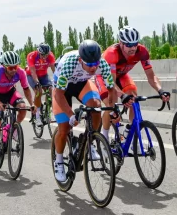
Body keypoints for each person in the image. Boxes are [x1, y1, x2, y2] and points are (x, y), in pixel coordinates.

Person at [52, 40, 117, 182]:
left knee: (96, 106)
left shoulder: (102, 64)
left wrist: (112, 108)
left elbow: (111, 89)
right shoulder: (70, 64)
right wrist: (70, 115)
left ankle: (91, 140)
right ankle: (58, 161)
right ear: (81, 60)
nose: (94, 68)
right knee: (64, 128)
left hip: (82, 84)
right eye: (90, 64)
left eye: (96, 64)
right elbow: (59, 94)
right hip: (62, 90)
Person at [96, 26, 170, 142]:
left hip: (122, 75)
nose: (133, 48)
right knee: (111, 103)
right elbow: (110, 82)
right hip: (105, 77)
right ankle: (104, 138)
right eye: (129, 45)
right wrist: (122, 95)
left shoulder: (142, 51)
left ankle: (130, 130)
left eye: (135, 44)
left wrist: (160, 90)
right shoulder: (112, 53)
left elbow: (151, 76)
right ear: (121, 43)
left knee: (133, 97)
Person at [0, 51, 36, 168]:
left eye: (16, 66)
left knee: (22, 108)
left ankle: (14, 129)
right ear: (4, 66)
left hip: (10, 92)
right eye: (10, 67)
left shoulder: (20, 72)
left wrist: (32, 104)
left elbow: (26, 89)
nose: (14, 70)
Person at [25, 43, 55, 126]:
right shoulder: (31, 56)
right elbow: (33, 72)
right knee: (39, 92)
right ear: (38, 52)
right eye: (43, 55)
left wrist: (58, 80)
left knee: (51, 90)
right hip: (32, 75)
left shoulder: (50, 55)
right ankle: (37, 116)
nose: (45, 57)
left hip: (44, 75)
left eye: (46, 55)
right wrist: (37, 82)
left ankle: (48, 111)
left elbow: (54, 70)